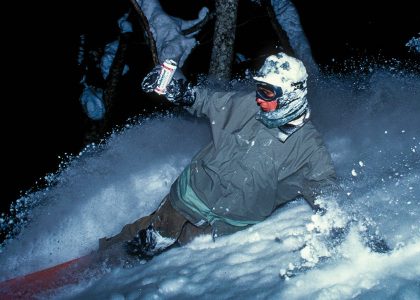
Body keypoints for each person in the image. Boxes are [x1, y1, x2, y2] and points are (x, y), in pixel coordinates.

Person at [98, 52, 339, 262]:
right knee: (158, 233)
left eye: (267, 91)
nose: (258, 97)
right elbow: (209, 102)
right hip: (195, 189)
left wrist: (341, 224)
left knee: (185, 240)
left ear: (289, 95)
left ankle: (149, 252)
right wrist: (182, 92)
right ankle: (111, 253)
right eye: (259, 88)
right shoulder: (249, 106)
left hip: (230, 218)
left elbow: (325, 189)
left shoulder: (309, 147)